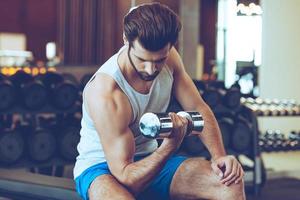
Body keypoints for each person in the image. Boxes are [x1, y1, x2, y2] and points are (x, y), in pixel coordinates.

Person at [74, 2, 246, 200]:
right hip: (102, 168)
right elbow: (127, 177)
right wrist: (169, 146)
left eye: (159, 60)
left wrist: (219, 156)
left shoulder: (171, 58)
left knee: (228, 182)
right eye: (142, 59)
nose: (150, 69)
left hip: (150, 158)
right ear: (125, 40)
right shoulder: (106, 92)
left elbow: (197, 107)